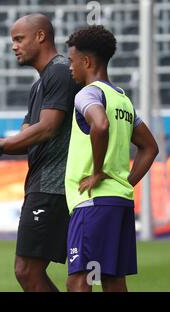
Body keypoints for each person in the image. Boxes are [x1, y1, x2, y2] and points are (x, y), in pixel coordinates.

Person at [0, 14, 80, 291]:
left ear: (41, 36)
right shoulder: (39, 83)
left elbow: (47, 128)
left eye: (19, 39)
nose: (14, 46)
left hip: (53, 186)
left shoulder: (60, 71)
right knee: (36, 270)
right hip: (43, 184)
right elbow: (28, 137)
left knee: (27, 270)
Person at [65, 25, 158, 292]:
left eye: (72, 61)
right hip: (119, 202)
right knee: (114, 280)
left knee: (79, 279)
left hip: (91, 203)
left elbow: (100, 125)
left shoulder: (88, 93)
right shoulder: (123, 99)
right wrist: (125, 183)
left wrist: (96, 172)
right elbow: (150, 148)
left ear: (86, 61)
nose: (70, 68)